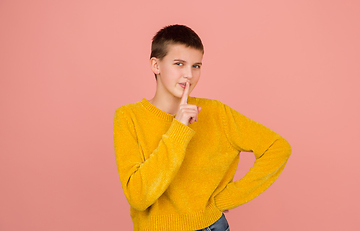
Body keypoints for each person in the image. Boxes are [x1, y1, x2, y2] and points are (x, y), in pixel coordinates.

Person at [113, 24, 291, 231]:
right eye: (179, 64)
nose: (189, 74)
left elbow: (278, 147)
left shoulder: (216, 112)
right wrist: (179, 128)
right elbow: (139, 197)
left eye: (196, 66)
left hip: (209, 227)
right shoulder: (128, 117)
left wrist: (224, 200)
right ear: (156, 65)